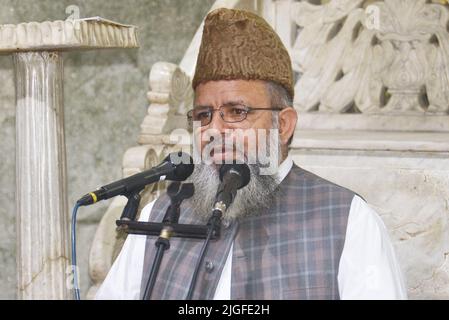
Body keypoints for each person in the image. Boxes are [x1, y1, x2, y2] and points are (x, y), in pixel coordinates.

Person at [95, 8, 407, 300]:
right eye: (203, 114)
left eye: (236, 111)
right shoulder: (162, 212)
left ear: (282, 125)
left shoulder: (347, 220)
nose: (214, 129)